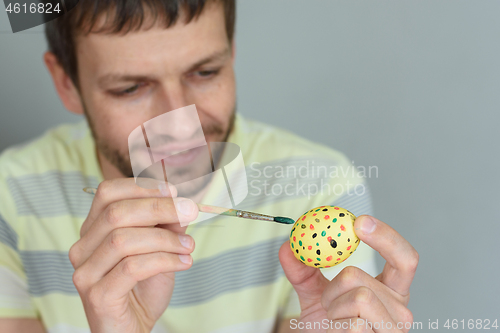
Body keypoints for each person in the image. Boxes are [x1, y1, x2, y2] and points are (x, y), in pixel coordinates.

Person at [0, 0, 419, 332]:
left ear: (231, 54)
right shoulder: (10, 197)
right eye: (130, 88)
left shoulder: (320, 186)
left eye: (205, 71)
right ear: (66, 84)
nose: (180, 121)